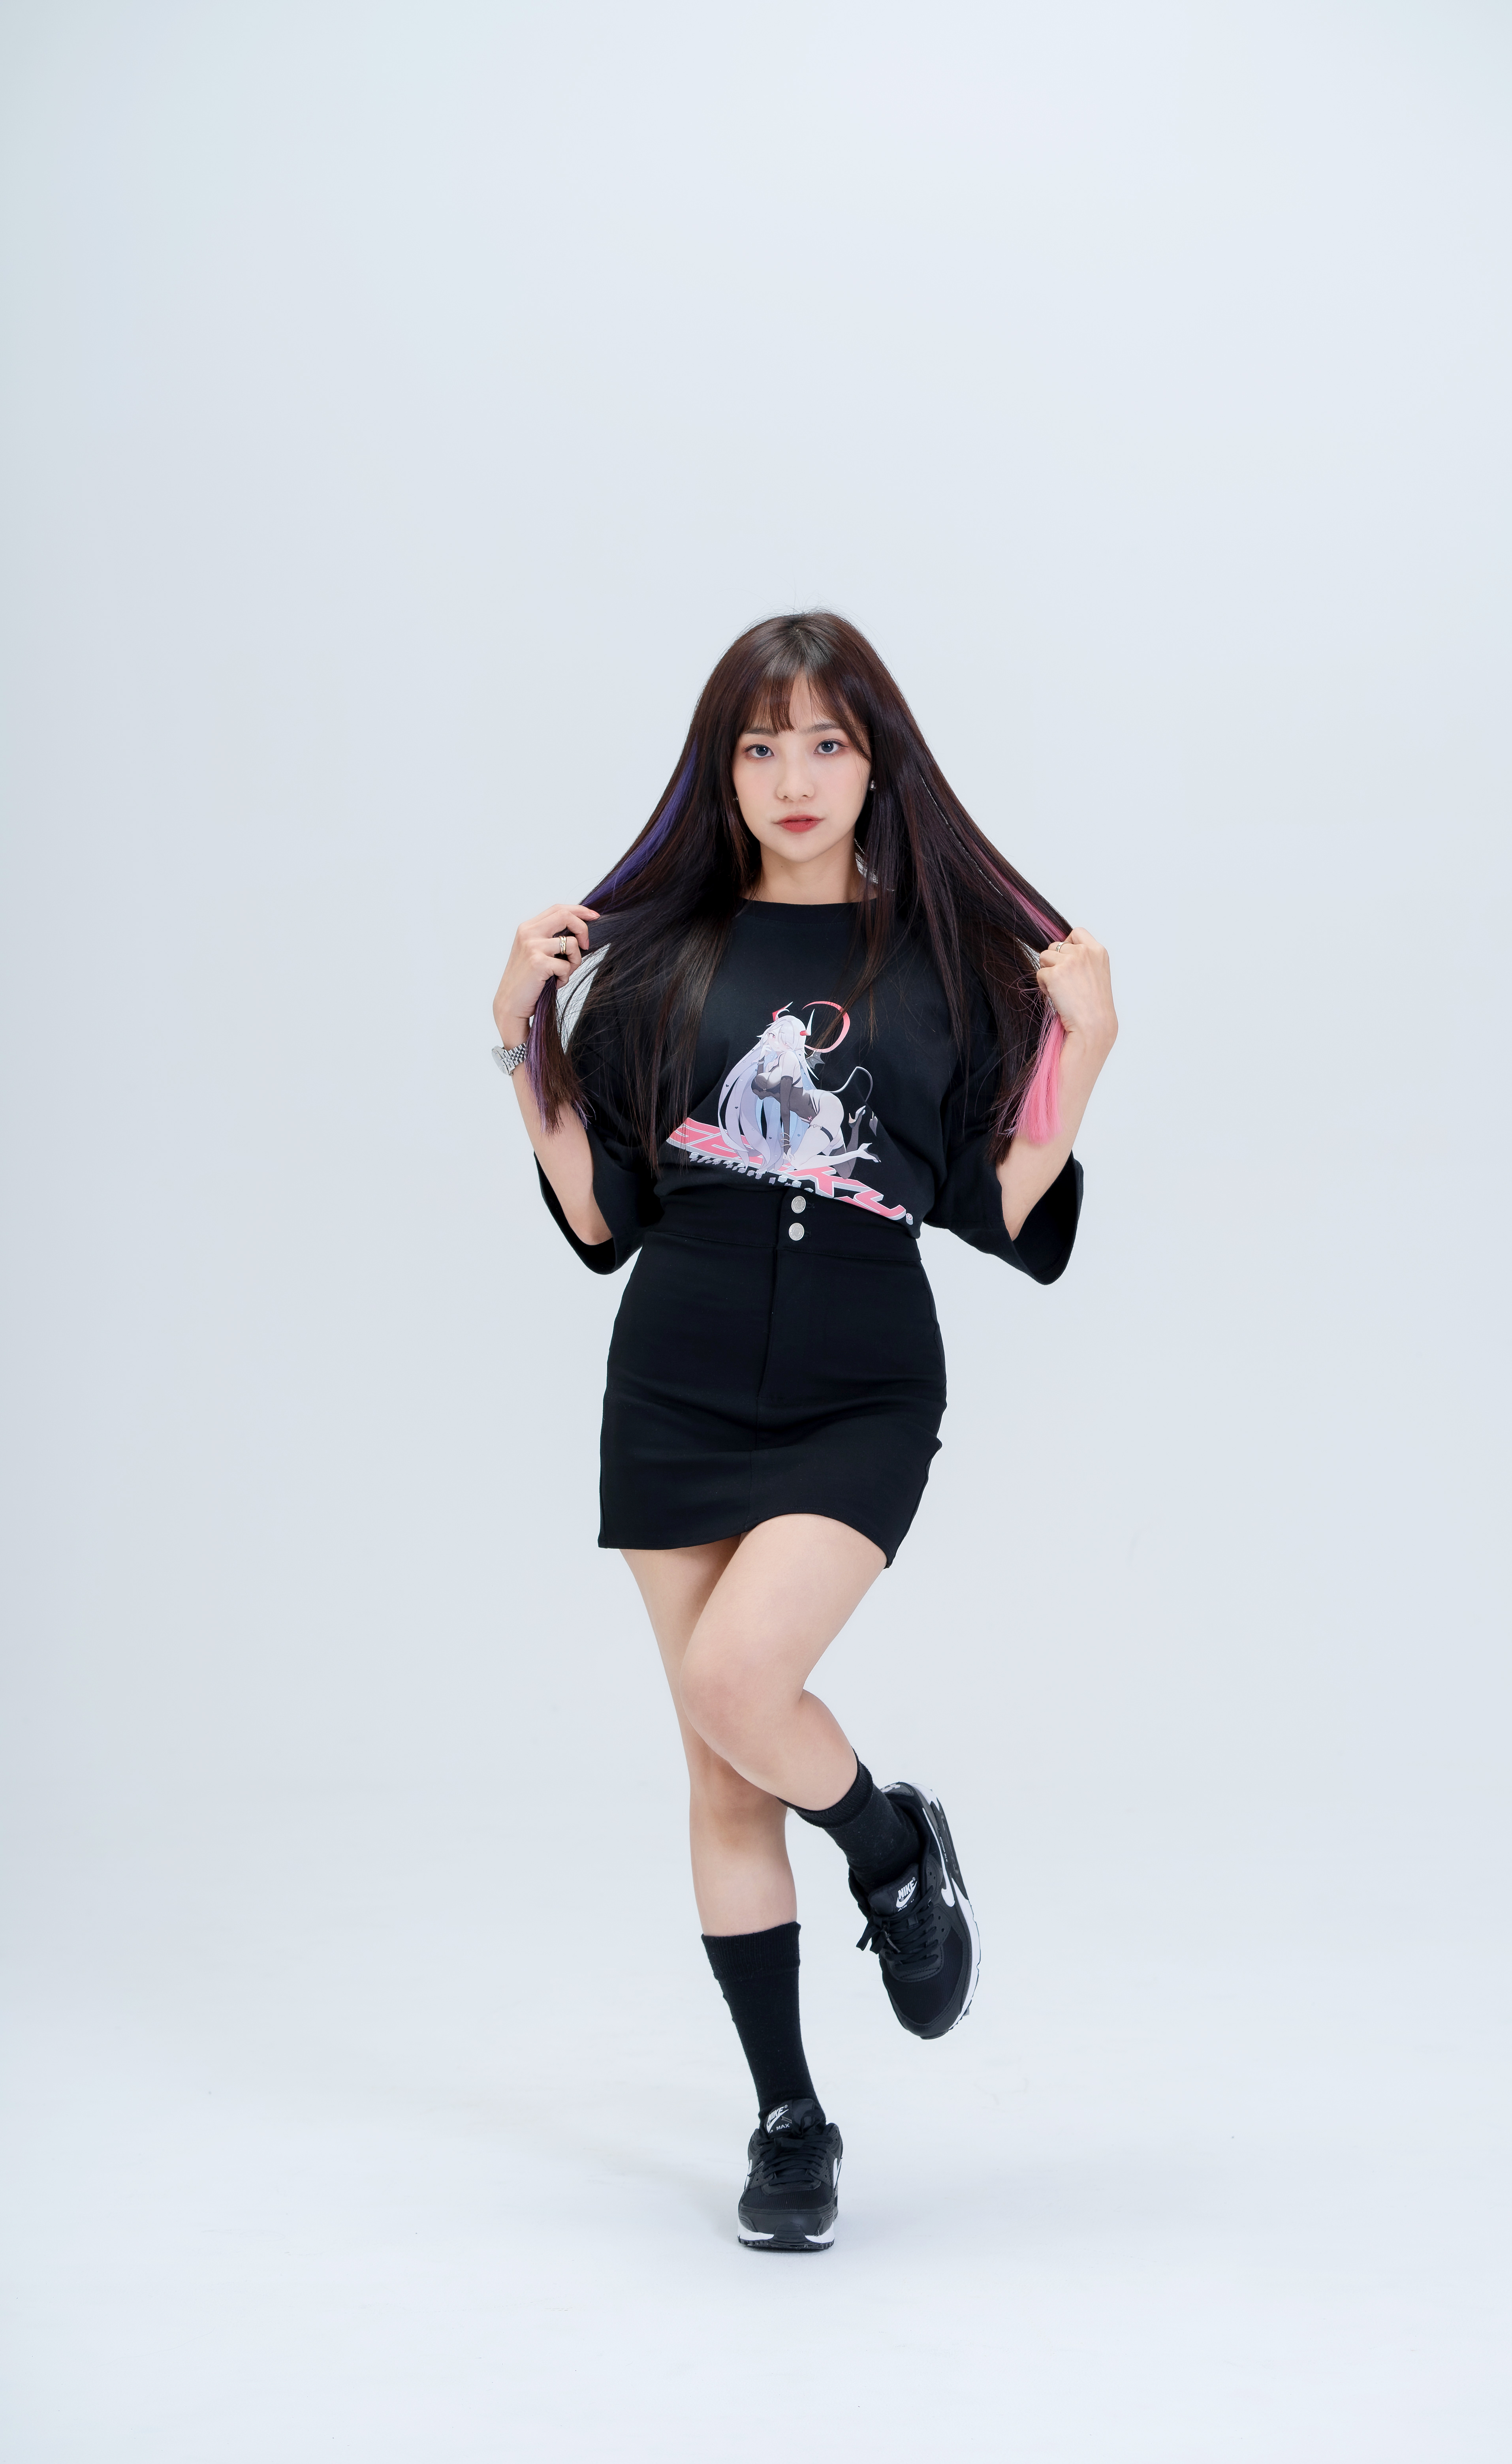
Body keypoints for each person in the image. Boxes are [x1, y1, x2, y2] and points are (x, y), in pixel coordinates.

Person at [491, 612, 1117, 2252]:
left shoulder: (941, 964)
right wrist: (520, 1039)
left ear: (874, 762)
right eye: (760, 745)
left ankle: (890, 1850)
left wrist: (1086, 1051)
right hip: (675, 1388)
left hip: (860, 1388)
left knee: (735, 1684)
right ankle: (789, 2120)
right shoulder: (660, 966)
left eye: (825, 742)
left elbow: (998, 1206)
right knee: (720, 1774)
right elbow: (604, 1216)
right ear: (722, 770)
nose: (792, 776)